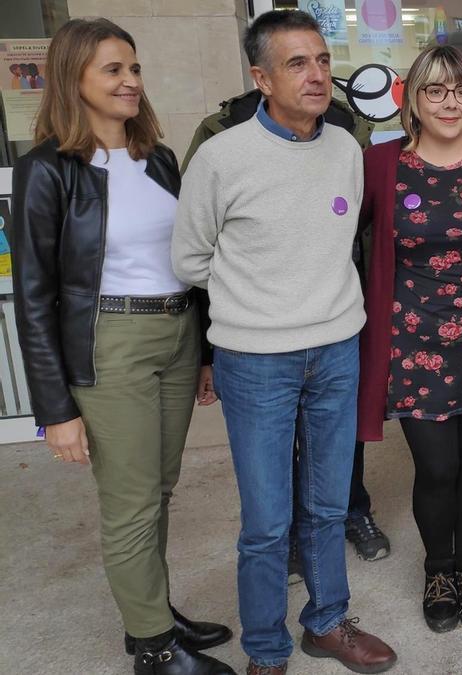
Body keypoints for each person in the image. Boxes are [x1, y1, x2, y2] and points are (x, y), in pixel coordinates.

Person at [171, 11, 397, 674]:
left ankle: (326, 621)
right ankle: (266, 650)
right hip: (256, 360)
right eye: (297, 63)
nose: (318, 74)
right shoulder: (221, 155)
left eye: (323, 60)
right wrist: (257, 298)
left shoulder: (345, 149)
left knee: (327, 505)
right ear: (261, 78)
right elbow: (189, 259)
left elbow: (341, 237)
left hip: (336, 351)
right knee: (267, 523)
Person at [11, 18, 234, 675]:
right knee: (131, 497)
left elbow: (189, 258)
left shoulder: (156, 157)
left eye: (133, 67)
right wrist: (54, 408)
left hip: (174, 330)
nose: (130, 80)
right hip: (111, 342)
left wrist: (203, 351)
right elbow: (34, 295)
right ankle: (153, 647)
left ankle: (152, 609)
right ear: (72, 78)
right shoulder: (47, 170)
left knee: (158, 486)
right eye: (112, 69)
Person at [356, 44, 462, 633]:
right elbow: (340, 239)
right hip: (412, 341)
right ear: (413, 101)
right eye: (435, 90)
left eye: (461, 91)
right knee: (437, 468)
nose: (450, 102)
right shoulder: (381, 165)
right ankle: (437, 568)